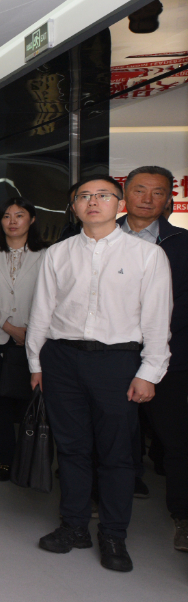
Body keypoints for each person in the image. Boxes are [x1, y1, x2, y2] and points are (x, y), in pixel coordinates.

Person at [28, 174, 171, 572]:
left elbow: (157, 320)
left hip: (117, 362)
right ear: (74, 207)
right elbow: (41, 312)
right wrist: (36, 364)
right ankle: (74, 526)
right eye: (84, 196)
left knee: (116, 454)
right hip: (62, 360)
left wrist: (150, 372)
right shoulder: (58, 254)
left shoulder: (147, 255)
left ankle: (113, 535)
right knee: (72, 449)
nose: (93, 202)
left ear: (119, 204)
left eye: (103, 195)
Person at [118, 166, 188, 552]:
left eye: (157, 192)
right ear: (124, 195)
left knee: (175, 439)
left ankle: (183, 515)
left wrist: (154, 338)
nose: (147, 199)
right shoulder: (96, 236)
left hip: (170, 358)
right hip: (110, 356)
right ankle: (107, 498)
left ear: (168, 200)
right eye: (139, 190)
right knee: (109, 433)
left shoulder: (182, 243)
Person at [0, 197, 47, 481]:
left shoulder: (46, 254)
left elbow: (49, 296)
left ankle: (34, 459)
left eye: (20, 215)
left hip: (36, 337)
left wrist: (29, 330)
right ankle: (6, 459)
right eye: (7, 216)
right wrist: (10, 327)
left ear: (32, 219)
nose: (13, 221)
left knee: (34, 400)